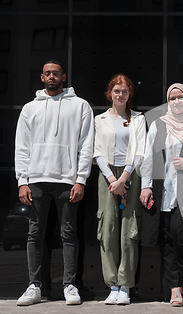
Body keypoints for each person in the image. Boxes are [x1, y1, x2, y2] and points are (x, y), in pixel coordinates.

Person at [15, 60, 94, 306]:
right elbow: (22, 147)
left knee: (69, 234)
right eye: (48, 73)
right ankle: (34, 286)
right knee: (34, 234)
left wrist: (81, 179)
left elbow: (86, 144)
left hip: (67, 180)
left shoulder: (80, 106)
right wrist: (22, 181)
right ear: (42, 77)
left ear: (63, 77)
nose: (51, 77)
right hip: (36, 179)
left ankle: (70, 285)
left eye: (56, 73)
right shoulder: (30, 108)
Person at [140, 83, 183, 307]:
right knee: (167, 240)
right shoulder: (158, 125)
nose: (177, 101)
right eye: (172, 98)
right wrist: (146, 186)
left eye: (181, 97)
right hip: (164, 191)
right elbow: (148, 158)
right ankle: (174, 287)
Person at [93, 74, 146, 305]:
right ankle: (112, 284)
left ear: (129, 94)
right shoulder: (99, 119)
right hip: (107, 176)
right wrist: (111, 178)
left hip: (130, 175)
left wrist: (123, 178)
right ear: (110, 93)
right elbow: (97, 152)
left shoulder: (138, 119)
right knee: (108, 228)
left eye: (125, 91)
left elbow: (140, 151)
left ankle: (125, 285)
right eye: (117, 91)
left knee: (129, 230)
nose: (120, 95)